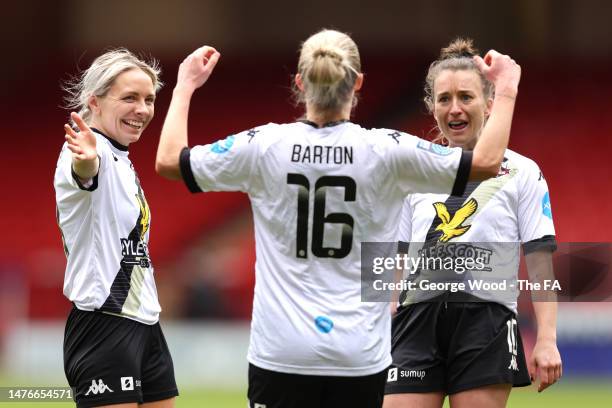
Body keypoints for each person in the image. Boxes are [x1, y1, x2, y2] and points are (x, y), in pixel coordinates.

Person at [155, 29, 519, 408]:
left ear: (299, 82)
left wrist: (185, 86)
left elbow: (169, 161)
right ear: (358, 83)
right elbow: (486, 163)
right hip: (358, 351)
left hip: (281, 349)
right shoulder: (386, 149)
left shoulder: (262, 145)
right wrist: (505, 88)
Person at [383, 39, 562, 408]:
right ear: (431, 107)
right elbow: (397, 258)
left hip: (487, 323)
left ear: (491, 103)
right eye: (444, 98)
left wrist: (546, 337)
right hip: (415, 322)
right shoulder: (414, 169)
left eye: (466, 96)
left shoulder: (523, 171)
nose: (455, 108)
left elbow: (540, 258)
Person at [54, 49, 178, 408]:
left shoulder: (120, 157)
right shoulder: (85, 152)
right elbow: (84, 172)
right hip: (103, 326)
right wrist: (87, 161)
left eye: (149, 99)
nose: (142, 109)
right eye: (129, 98)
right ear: (95, 102)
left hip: (145, 324)